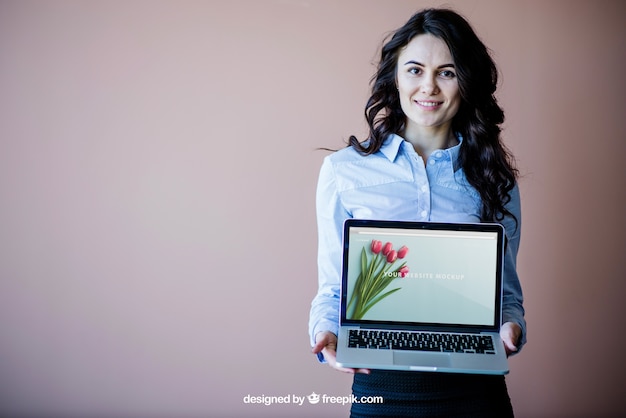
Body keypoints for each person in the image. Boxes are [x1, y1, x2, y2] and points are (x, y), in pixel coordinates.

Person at [308, 8, 526, 417]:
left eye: (447, 72)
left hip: (474, 392)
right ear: (395, 76)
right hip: (380, 386)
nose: (429, 86)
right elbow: (333, 286)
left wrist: (511, 326)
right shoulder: (343, 171)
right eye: (415, 69)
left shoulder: (494, 177)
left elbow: (507, 294)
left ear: (467, 80)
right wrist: (326, 334)